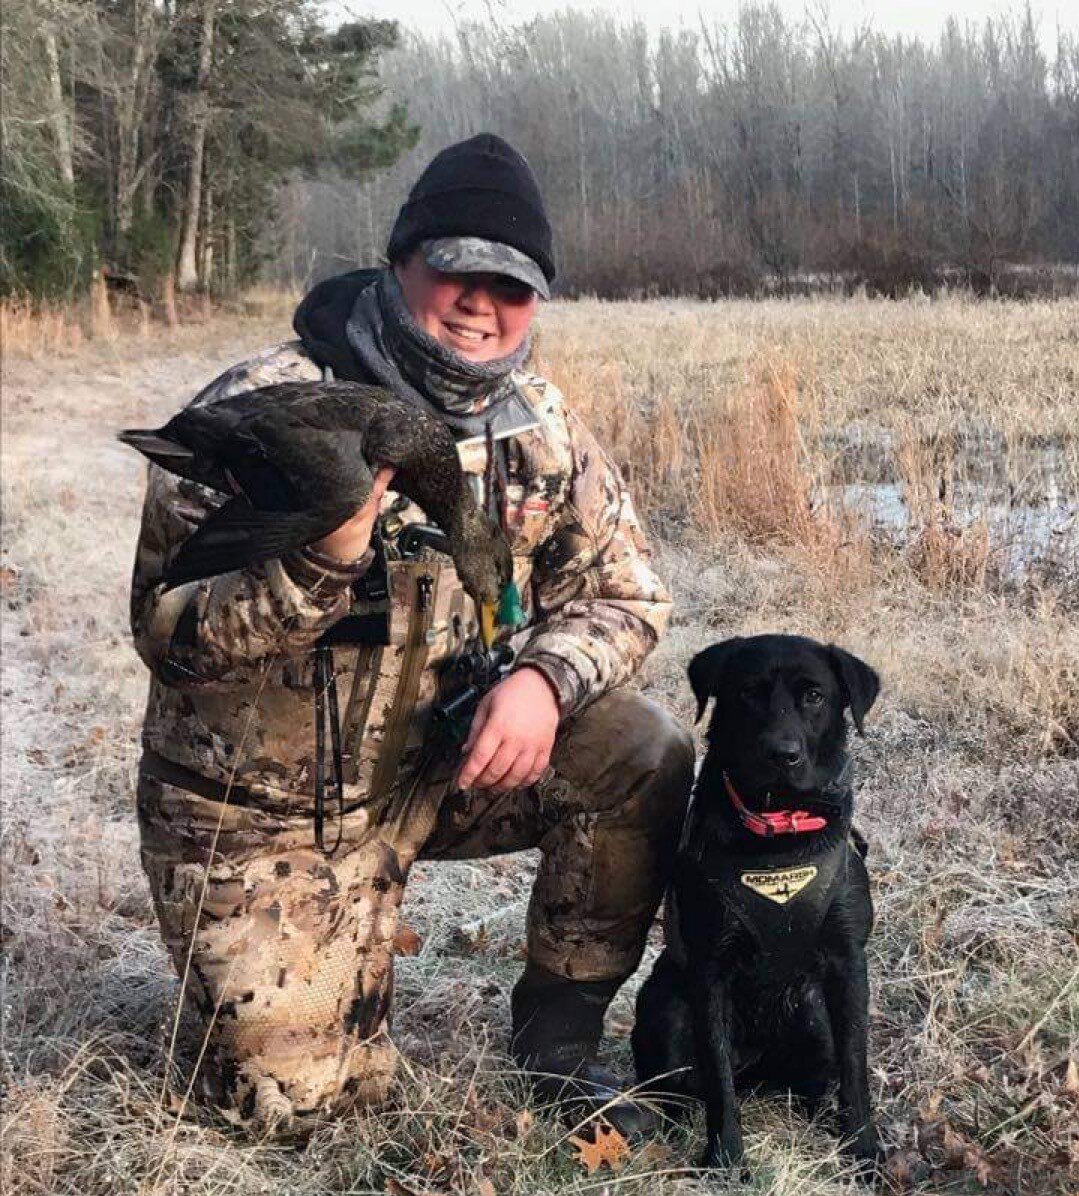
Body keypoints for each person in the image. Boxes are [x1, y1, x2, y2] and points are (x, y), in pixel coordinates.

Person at [130, 134, 693, 1134]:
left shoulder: (539, 425)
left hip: (439, 772)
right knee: (303, 1115)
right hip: (264, 815)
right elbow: (169, 635)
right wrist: (317, 562)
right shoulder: (267, 404)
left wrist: (545, 682)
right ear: (402, 261)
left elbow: (630, 595)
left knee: (640, 749)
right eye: (453, 268)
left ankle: (556, 1050)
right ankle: (267, 992)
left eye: (508, 283)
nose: (480, 301)